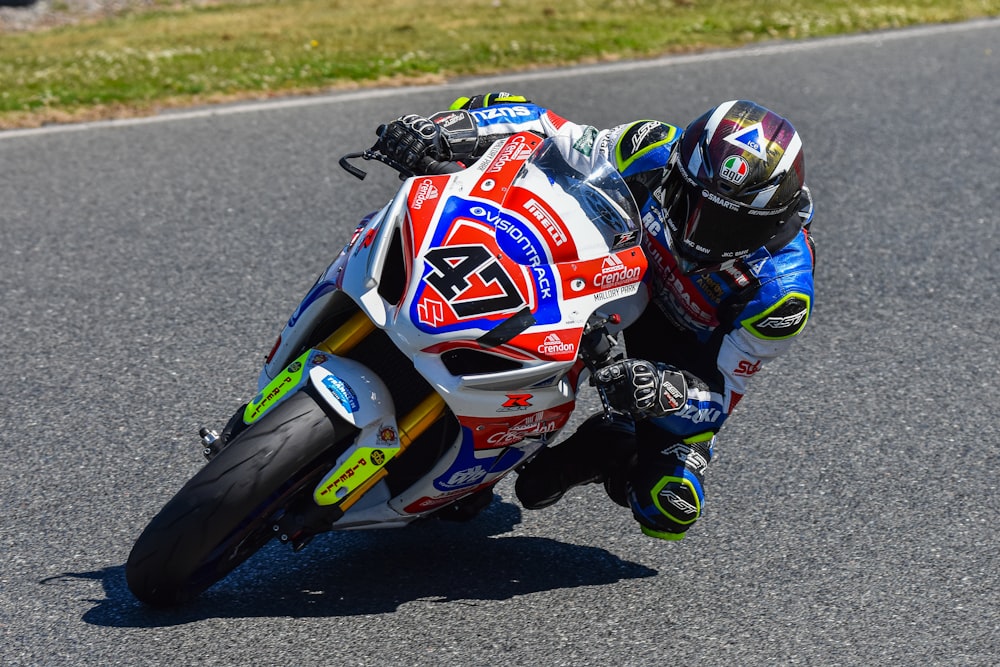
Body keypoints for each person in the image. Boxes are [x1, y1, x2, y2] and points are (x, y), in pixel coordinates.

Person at [374, 93, 816, 540]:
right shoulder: (654, 147)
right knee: (484, 105)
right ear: (680, 173)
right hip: (603, 283)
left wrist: (663, 392)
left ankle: (612, 443)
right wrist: (449, 132)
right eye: (690, 203)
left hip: (677, 354)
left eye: (729, 226)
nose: (700, 234)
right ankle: (480, 436)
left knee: (668, 505)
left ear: (771, 221)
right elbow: (548, 128)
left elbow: (721, 396)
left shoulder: (781, 295)